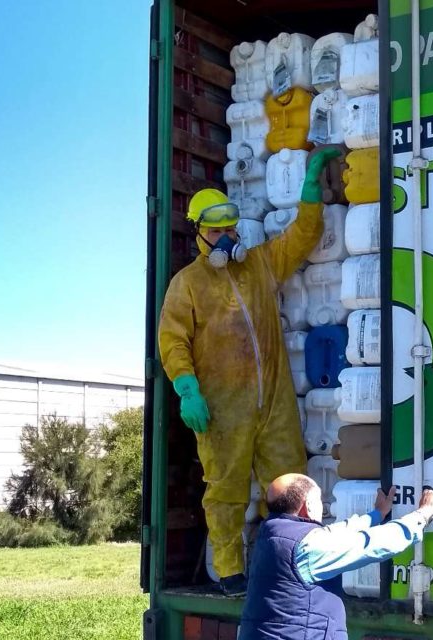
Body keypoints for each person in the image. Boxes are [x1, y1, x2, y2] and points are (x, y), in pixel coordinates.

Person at [159, 147, 344, 597]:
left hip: (273, 404)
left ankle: (292, 563)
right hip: (222, 411)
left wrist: (310, 186)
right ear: (199, 232)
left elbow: (303, 236)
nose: (226, 236)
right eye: (216, 229)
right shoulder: (188, 284)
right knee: (225, 491)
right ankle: (229, 570)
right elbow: (172, 341)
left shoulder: (259, 264)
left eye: (230, 227)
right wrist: (187, 390)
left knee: (291, 489)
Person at [240, 474, 433, 640]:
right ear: (308, 506)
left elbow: (335, 533)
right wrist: (423, 514)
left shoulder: (273, 534)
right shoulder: (307, 547)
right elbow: (375, 543)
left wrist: (376, 515)